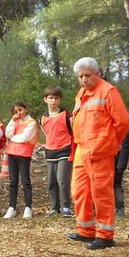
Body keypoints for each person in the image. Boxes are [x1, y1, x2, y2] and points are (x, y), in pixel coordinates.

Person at [67, 57, 129, 250]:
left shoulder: (108, 91)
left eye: (87, 75)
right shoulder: (81, 93)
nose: (84, 79)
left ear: (97, 74)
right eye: (80, 76)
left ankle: (105, 235)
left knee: (101, 194)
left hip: (100, 151)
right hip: (81, 150)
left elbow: (123, 122)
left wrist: (108, 143)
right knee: (79, 191)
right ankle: (85, 230)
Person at [1, 101, 39, 219]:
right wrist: (12, 121)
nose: (19, 113)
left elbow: (25, 138)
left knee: (25, 181)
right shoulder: (15, 122)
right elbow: (8, 134)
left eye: (20, 110)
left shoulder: (31, 122)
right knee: (13, 181)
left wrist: (13, 138)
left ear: (26, 109)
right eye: (16, 112)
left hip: (24, 155)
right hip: (12, 154)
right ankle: (12, 207)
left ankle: (28, 207)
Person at [40, 86, 74, 217]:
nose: (53, 101)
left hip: (65, 150)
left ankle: (66, 207)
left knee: (62, 180)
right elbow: (47, 133)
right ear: (45, 99)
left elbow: (73, 132)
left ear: (60, 100)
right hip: (50, 152)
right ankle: (54, 207)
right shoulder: (42, 118)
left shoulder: (67, 115)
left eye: (56, 98)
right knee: (52, 181)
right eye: (50, 98)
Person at [114, 129, 129, 217]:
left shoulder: (124, 130)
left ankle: (119, 208)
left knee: (116, 184)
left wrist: (120, 165)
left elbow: (125, 148)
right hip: (109, 160)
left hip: (117, 161)